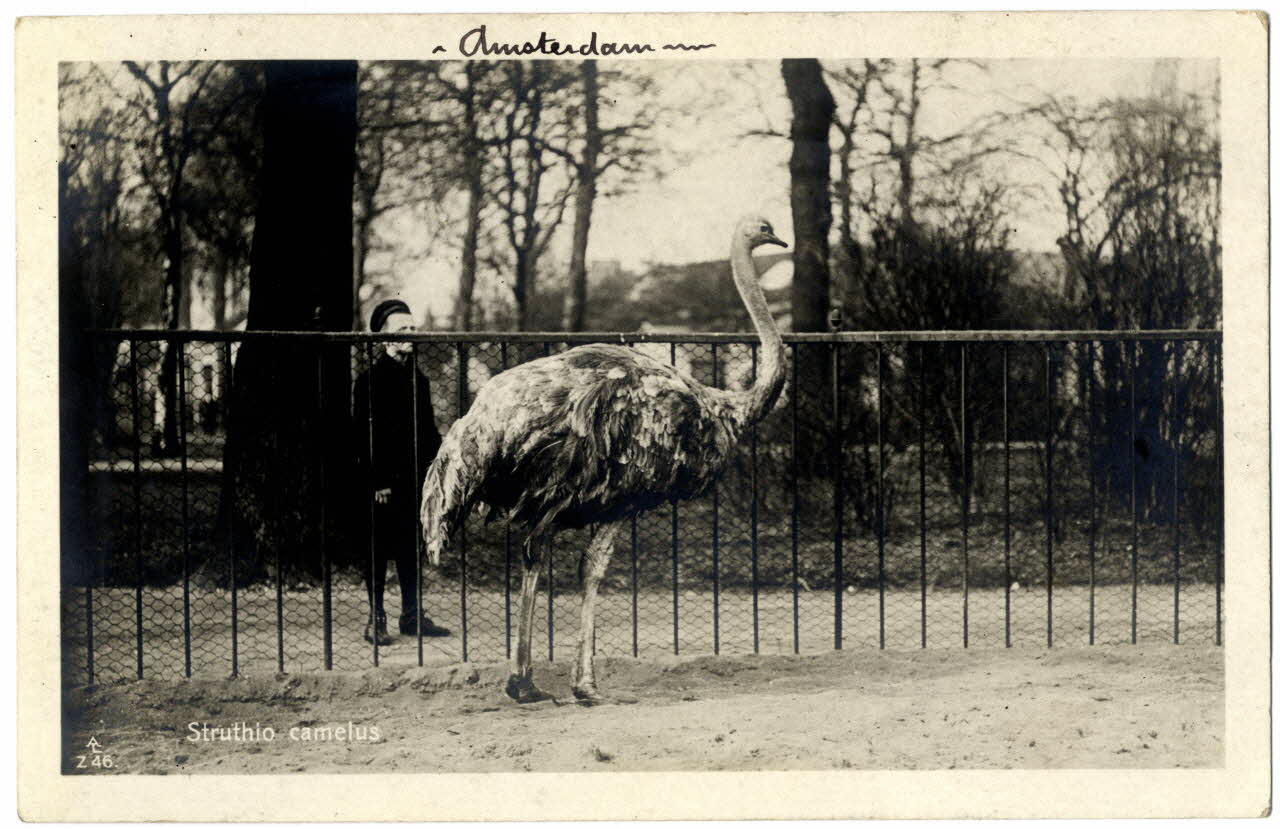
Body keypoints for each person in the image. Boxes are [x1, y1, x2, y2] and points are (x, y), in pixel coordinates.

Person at [354, 298, 451, 644]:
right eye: (402, 330)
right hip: (383, 483)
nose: (411, 335)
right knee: (378, 548)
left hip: (414, 480)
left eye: (413, 328)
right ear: (382, 337)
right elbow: (364, 436)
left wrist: (438, 470)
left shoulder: (418, 380)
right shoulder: (369, 381)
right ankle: (375, 617)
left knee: (411, 547)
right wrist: (376, 479)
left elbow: (427, 431)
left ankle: (412, 615)